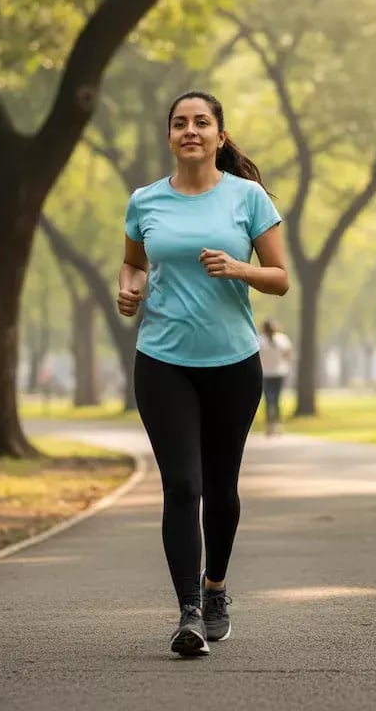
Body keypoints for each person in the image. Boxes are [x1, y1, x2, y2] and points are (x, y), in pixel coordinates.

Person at [117, 90, 289, 657]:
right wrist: (129, 288)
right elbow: (134, 263)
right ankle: (189, 611)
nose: (190, 130)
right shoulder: (145, 201)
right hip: (163, 361)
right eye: (179, 123)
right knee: (182, 486)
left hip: (234, 365)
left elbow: (280, 277)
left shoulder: (249, 198)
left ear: (219, 134)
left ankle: (216, 588)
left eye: (201, 122)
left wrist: (240, 268)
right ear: (169, 136)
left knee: (221, 490)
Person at [259, 319, 293, 436]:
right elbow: (288, 355)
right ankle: (278, 426)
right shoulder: (282, 339)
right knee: (277, 400)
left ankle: (270, 426)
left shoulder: (260, 340)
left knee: (268, 400)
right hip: (279, 373)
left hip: (266, 374)